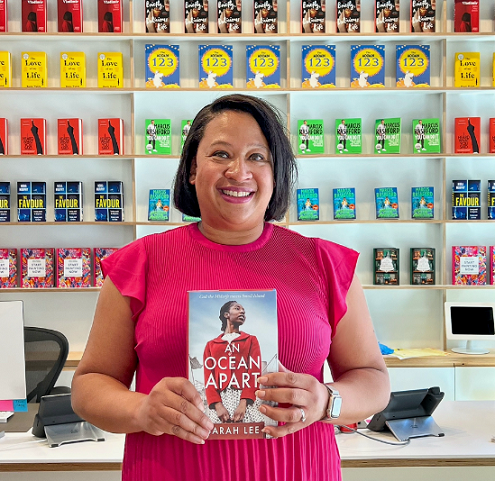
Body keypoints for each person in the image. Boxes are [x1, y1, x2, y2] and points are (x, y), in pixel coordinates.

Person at [72, 94, 390, 481]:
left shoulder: (326, 264)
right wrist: (141, 410)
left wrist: (327, 401)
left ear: (276, 175)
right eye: (220, 154)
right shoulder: (139, 263)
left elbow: (372, 379)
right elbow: (89, 385)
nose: (239, 172)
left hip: (298, 469)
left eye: (258, 157)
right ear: (191, 169)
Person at [203, 301, 263, 424]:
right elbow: (209, 376)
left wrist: (244, 403)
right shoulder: (211, 345)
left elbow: (254, 372)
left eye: (244, 311)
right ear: (226, 314)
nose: (242, 312)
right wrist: (217, 405)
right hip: (220, 400)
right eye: (237, 308)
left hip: (245, 399)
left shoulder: (251, 340)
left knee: (253, 432)